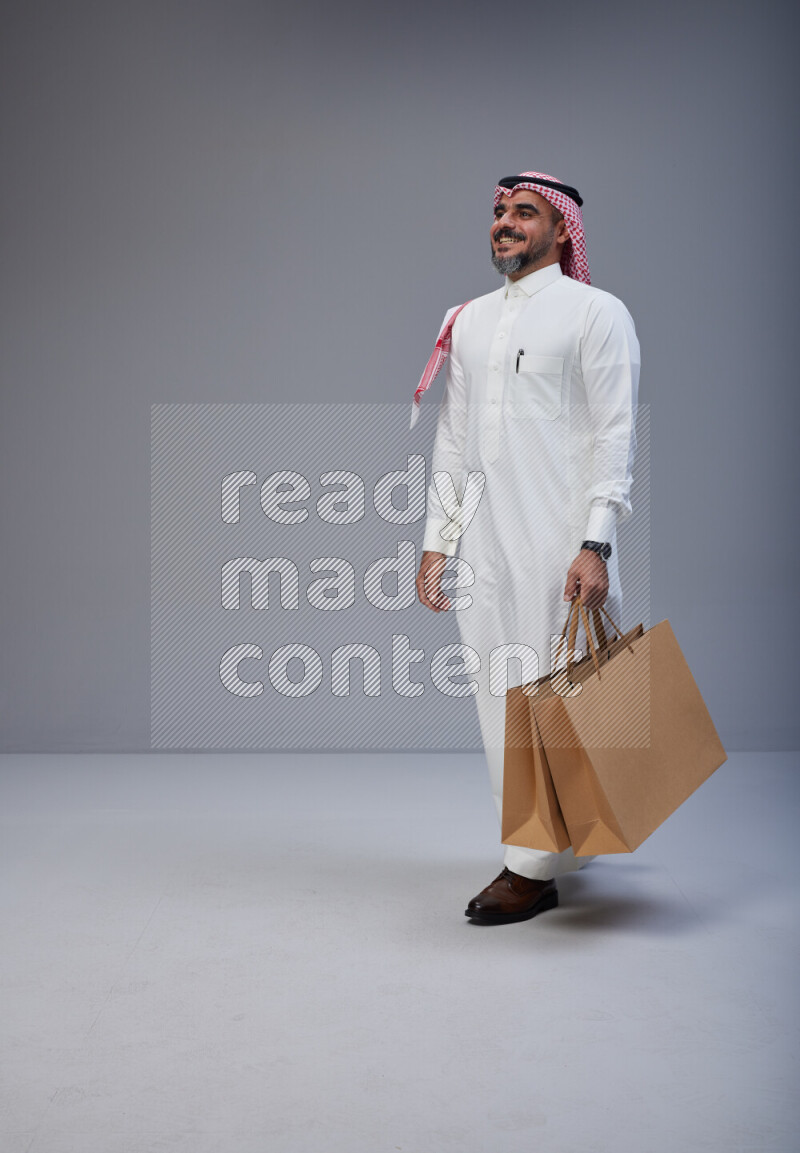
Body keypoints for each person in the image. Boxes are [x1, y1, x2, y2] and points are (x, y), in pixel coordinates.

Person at [412, 171, 640, 925]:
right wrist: (438, 540)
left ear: (560, 229)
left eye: (524, 213)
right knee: (498, 700)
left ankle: (531, 867)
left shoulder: (595, 314)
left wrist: (595, 543)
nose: (504, 223)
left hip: (556, 540)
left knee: (558, 698)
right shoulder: (469, 320)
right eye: (499, 212)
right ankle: (536, 851)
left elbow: (614, 434)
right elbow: (451, 438)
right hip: (481, 543)